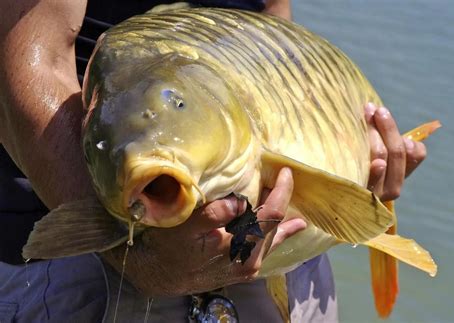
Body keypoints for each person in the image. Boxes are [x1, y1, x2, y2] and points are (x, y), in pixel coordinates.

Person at [0, 0, 427, 322]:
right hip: (86, 248)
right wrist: (138, 259)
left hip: (284, 252)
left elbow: (272, 21)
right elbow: (30, 56)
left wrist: (351, 166)